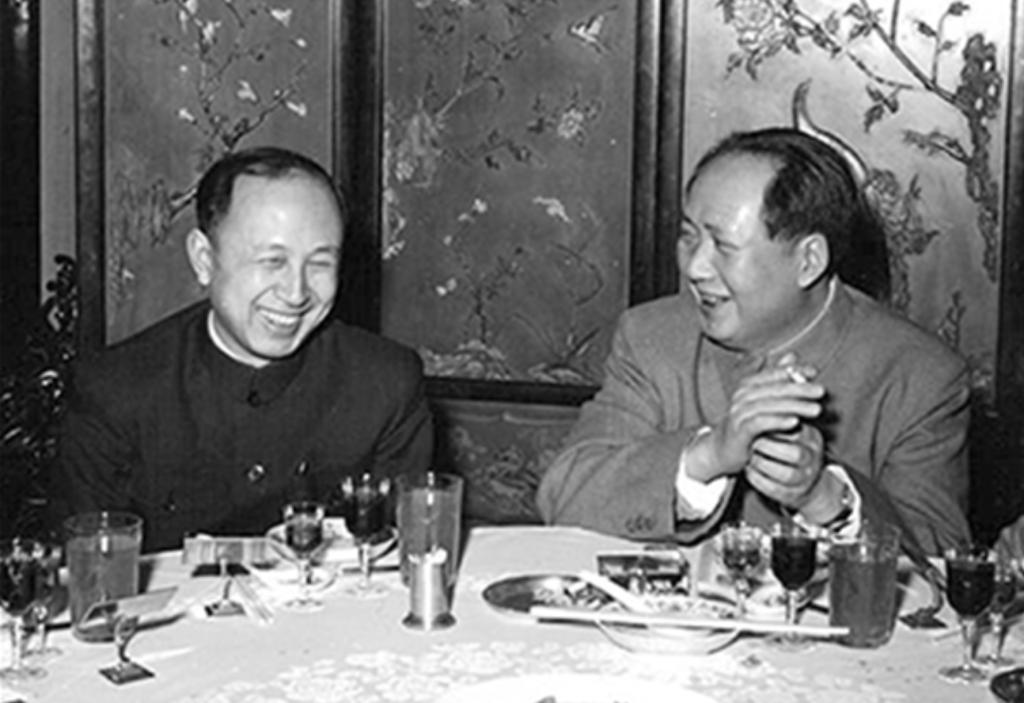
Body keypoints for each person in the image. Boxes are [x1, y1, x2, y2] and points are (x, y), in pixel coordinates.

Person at [536, 128, 970, 556]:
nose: (695, 268)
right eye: (689, 236)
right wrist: (708, 454)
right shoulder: (651, 338)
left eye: (724, 245)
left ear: (809, 261)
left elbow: (939, 558)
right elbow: (566, 498)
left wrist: (823, 496)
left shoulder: (921, 376)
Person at [50, 146, 433, 552]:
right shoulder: (115, 390)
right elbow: (88, 573)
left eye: (320, 264)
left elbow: (396, 561)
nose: (296, 293)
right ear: (204, 260)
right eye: (272, 261)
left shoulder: (385, 383)